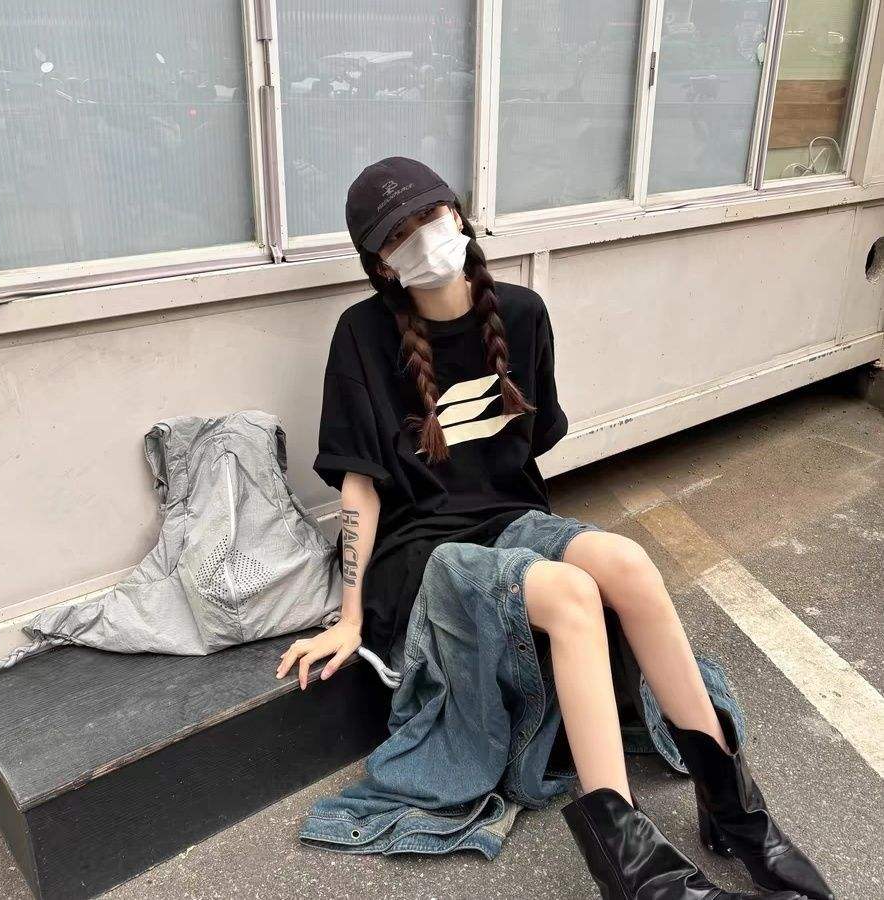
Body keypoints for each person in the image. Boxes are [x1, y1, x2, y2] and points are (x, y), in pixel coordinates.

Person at [277, 156, 832, 900]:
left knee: (627, 561)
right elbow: (360, 484)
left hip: (511, 520)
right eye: (399, 236)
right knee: (572, 595)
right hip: (425, 553)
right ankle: (633, 867)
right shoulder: (361, 335)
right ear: (381, 264)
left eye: (430, 216)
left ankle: (734, 808)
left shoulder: (522, 314)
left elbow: (527, 449)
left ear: (458, 213)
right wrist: (349, 617)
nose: (424, 239)